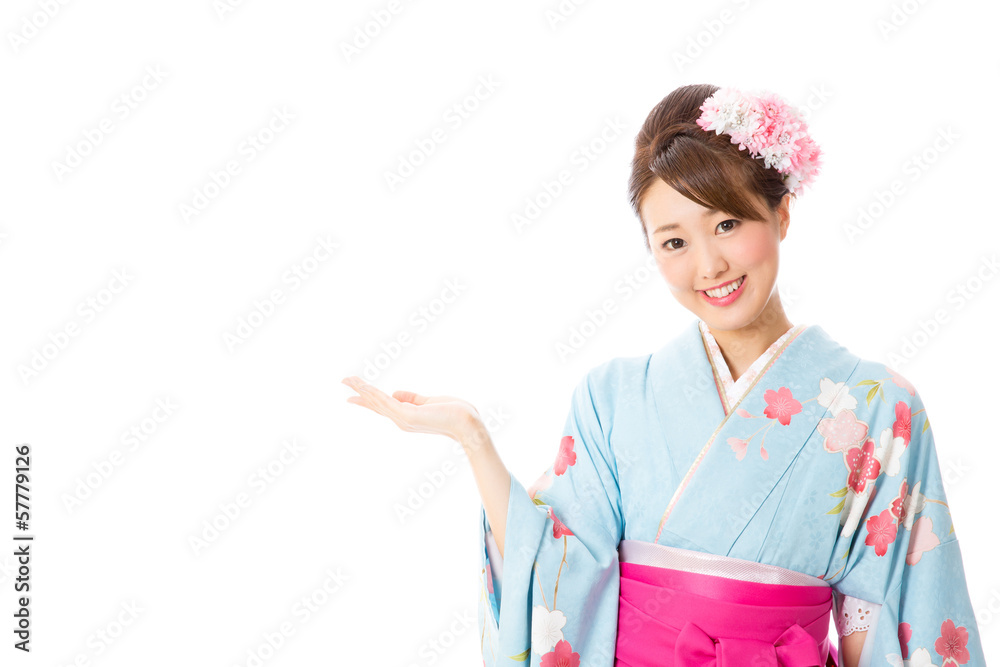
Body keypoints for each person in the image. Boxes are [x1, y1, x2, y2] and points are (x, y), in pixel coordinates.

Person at [342, 84, 986, 666]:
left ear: (782, 215)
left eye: (728, 224)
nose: (708, 264)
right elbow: (554, 573)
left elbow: (896, 611)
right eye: (674, 241)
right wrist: (473, 438)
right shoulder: (613, 397)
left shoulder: (879, 407)